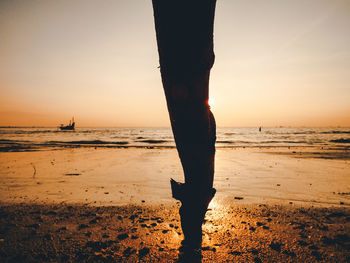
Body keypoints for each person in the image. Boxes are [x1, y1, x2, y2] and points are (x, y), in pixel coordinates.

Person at [152, 0, 217, 261]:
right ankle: (193, 217)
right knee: (186, 83)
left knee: (184, 84)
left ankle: (193, 217)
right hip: (186, 59)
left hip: (184, 60)